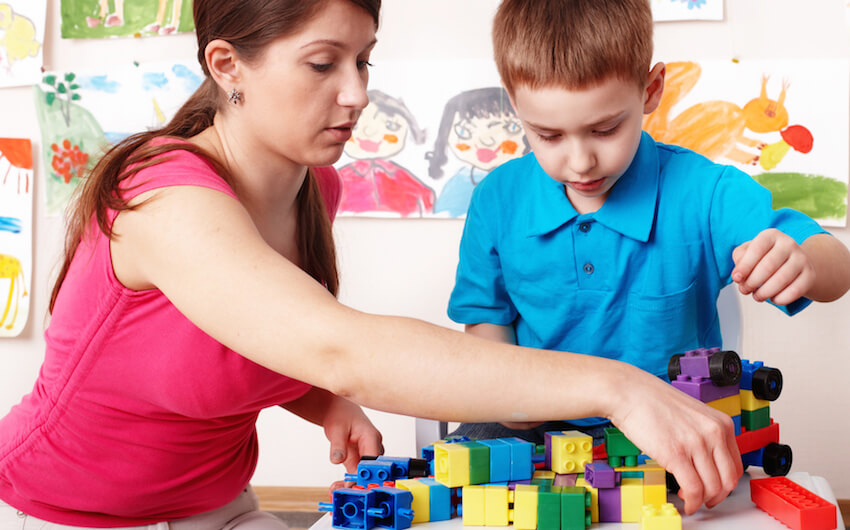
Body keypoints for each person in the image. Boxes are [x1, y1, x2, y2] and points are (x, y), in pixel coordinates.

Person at [0, 0, 745, 526]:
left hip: (214, 505)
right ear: (227, 66)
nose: (358, 93)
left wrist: (319, 402)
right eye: (323, 63)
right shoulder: (162, 199)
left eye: (362, 59)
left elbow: (240, 337)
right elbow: (340, 347)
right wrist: (619, 388)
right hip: (70, 508)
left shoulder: (312, 188)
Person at [446, 0, 850, 489]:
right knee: (458, 486)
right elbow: (485, 324)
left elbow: (836, 265)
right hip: (536, 423)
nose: (581, 161)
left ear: (651, 90)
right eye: (548, 135)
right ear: (516, 105)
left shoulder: (704, 192)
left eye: (605, 129)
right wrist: (510, 398)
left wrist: (805, 263)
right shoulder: (497, 199)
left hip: (668, 422)